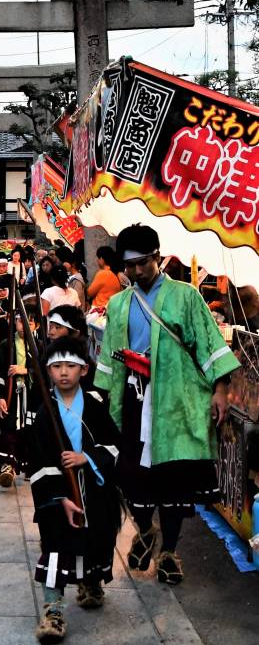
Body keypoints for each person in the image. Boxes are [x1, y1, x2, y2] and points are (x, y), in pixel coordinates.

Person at [95, 223, 240, 585]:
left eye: (143, 262)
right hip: (132, 397)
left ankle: (171, 554)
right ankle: (145, 529)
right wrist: (102, 398)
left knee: (173, 477)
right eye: (129, 266)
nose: (137, 271)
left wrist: (220, 390)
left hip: (176, 399)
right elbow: (108, 362)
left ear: (157, 257)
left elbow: (209, 345)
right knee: (130, 474)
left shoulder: (186, 296)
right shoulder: (118, 303)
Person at [28, 337, 122, 645]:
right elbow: (40, 459)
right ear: (48, 372)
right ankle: (53, 611)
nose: (64, 373)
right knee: (56, 547)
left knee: (97, 538)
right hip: (58, 494)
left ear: (84, 369)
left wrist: (87, 457)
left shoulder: (94, 405)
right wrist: (61, 497)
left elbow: (115, 444)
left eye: (71, 366)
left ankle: (91, 582)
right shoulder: (45, 412)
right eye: (56, 367)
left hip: (94, 490)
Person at [0, 306, 39, 487]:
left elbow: (45, 371)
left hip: (32, 396)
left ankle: (30, 466)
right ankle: (7, 467)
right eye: (20, 320)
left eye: (30, 321)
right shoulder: (6, 345)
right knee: (9, 428)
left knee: (31, 430)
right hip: (12, 395)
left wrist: (26, 370)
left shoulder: (39, 346)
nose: (25, 324)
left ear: (36, 326)